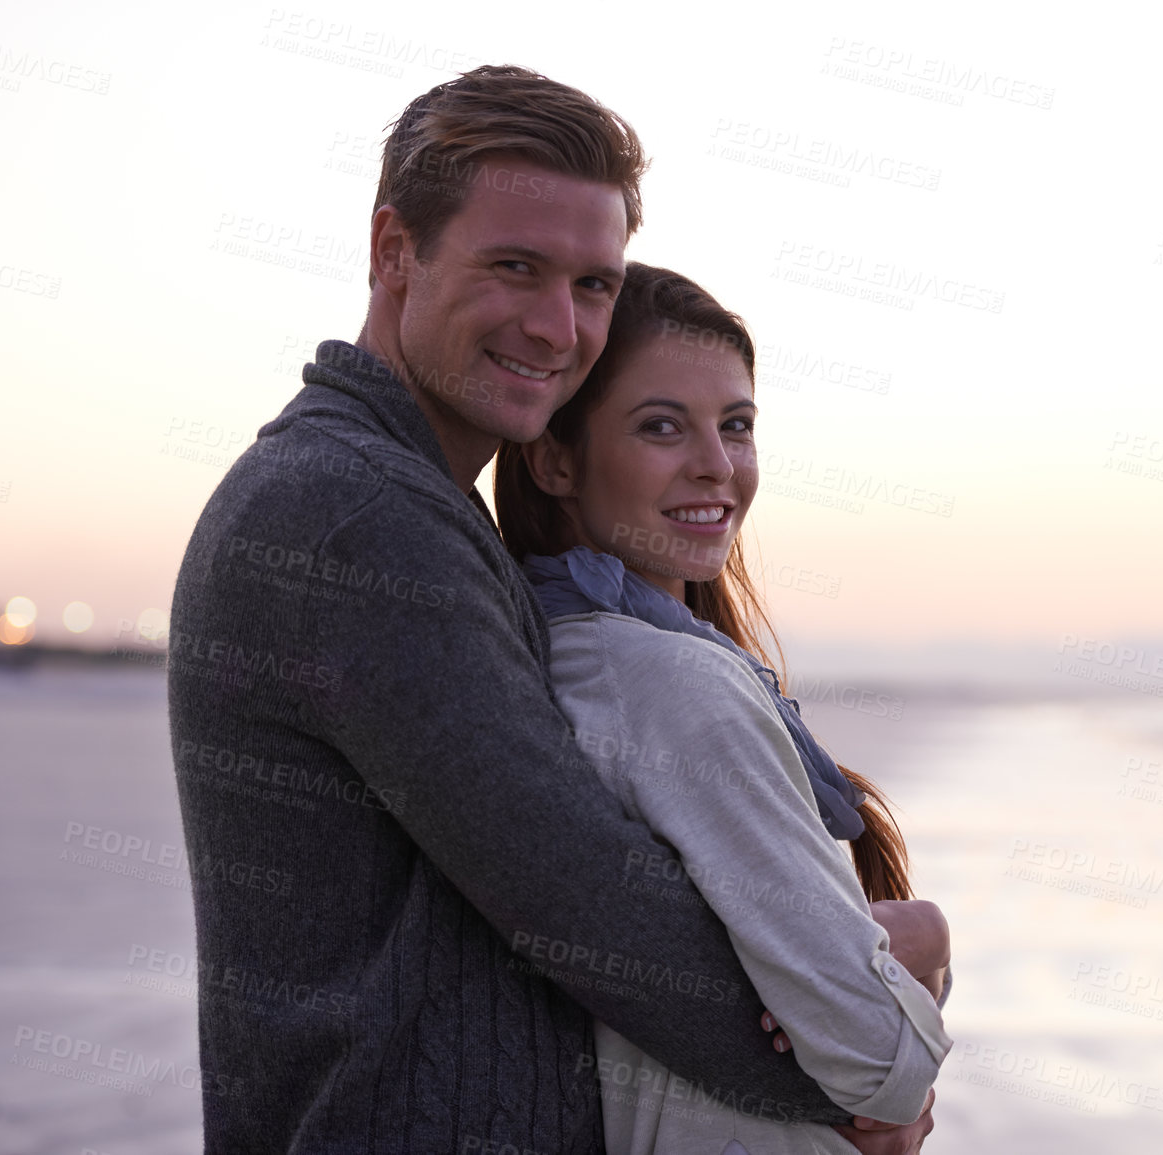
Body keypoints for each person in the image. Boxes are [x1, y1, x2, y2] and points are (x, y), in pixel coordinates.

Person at [167, 66, 931, 1153]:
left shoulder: (412, 505)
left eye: (593, 285)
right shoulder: (351, 516)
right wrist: (861, 1064)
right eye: (515, 268)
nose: (555, 326)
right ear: (395, 250)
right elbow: (587, 905)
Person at [494, 263, 954, 1152]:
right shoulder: (674, 685)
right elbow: (882, 1064)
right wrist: (921, 939)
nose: (716, 464)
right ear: (555, 457)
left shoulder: (554, 655)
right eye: (661, 426)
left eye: (735, 425)